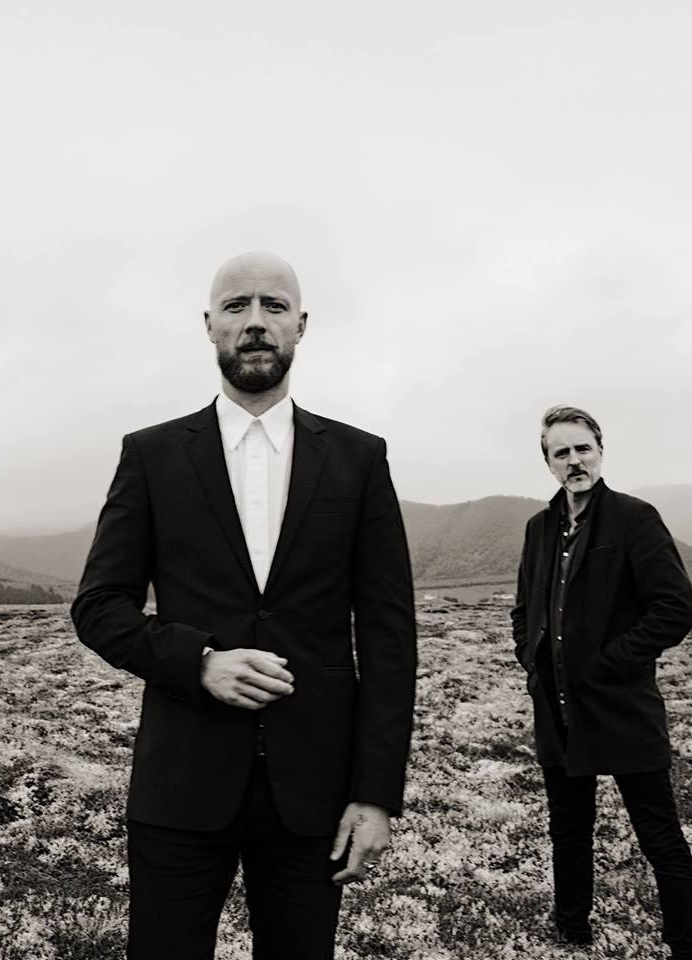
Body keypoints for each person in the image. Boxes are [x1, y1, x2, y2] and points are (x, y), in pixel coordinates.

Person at [72, 251, 417, 959]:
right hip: (180, 784)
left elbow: (389, 636)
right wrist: (197, 661)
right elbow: (99, 605)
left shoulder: (360, 458)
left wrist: (376, 792)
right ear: (210, 325)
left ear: (301, 325)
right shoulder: (151, 455)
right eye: (236, 306)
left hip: (314, 795)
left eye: (273, 305)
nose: (255, 321)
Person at [511, 405, 692, 958]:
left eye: (583, 449)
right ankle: (572, 931)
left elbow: (676, 608)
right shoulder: (539, 528)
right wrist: (531, 658)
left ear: (600, 451)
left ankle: (689, 946)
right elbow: (524, 609)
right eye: (562, 453)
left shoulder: (634, 518)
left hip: (622, 706)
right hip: (557, 707)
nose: (574, 461)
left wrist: (609, 663)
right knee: (568, 830)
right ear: (548, 463)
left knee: (658, 835)